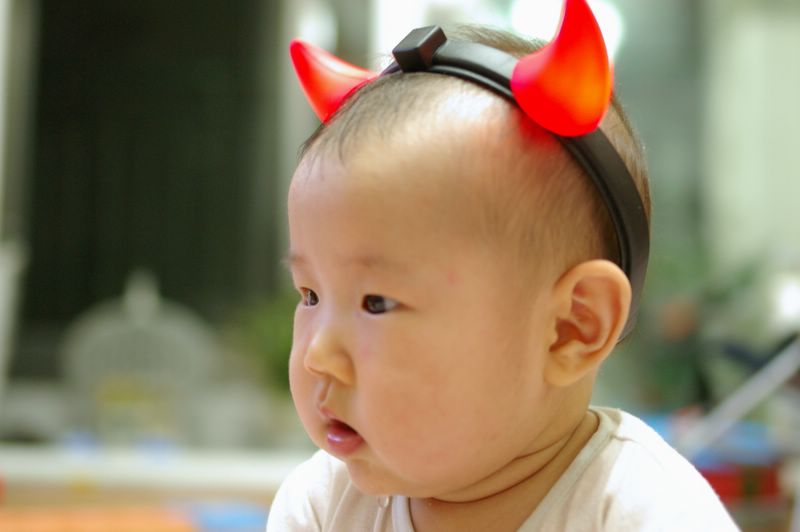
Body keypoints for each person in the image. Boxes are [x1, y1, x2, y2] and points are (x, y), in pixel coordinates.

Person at [268, 0, 738, 530]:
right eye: (310, 295)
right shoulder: (322, 506)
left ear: (570, 327)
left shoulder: (643, 512)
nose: (317, 356)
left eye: (375, 302)